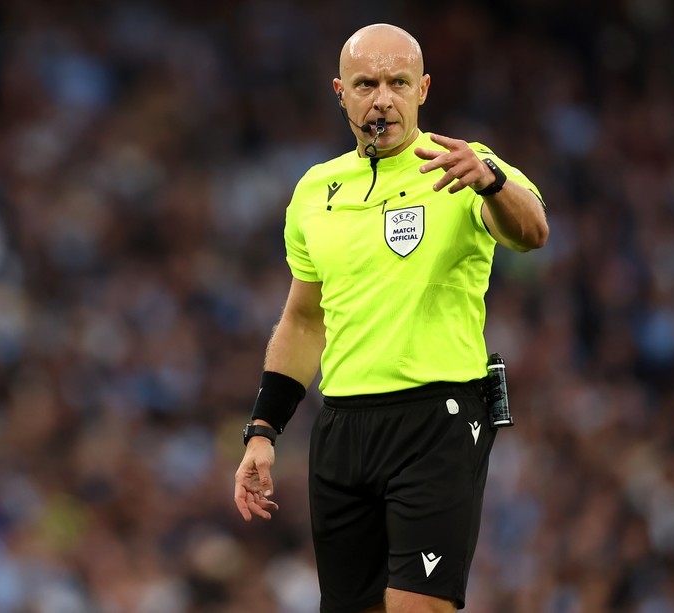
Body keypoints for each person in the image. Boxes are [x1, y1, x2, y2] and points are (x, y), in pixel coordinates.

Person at [233, 23, 548, 613]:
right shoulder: (314, 191)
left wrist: (493, 182)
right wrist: (262, 430)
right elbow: (304, 321)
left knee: (415, 606)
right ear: (340, 92)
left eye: (398, 82)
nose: (383, 98)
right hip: (344, 426)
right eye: (366, 84)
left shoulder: (462, 165)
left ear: (423, 89)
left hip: (439, 419)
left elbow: (532, 232)